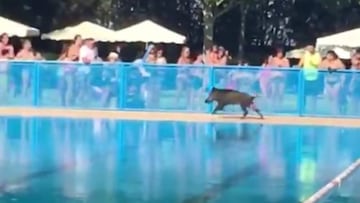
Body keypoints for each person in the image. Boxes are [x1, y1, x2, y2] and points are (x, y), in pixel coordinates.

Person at [298, 45, 322, 112]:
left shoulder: (317, 55)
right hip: (305, 77)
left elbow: (317, 63)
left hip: (314, 77)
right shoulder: (305, 55)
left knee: (314, 94)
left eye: (311, 48)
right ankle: (302, 109)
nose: (309, 50)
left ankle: (313, 110)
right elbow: (300, 64)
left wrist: (310, 58)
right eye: (308, 49)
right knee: (303, 94)